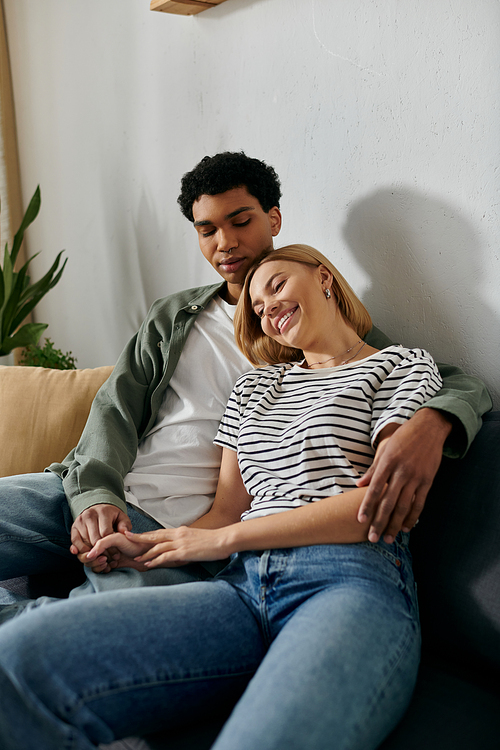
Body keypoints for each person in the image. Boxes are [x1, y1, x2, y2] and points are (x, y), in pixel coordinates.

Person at [0, 152, 491, 615]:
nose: (225, 243)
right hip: (91, 498)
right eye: (207, 229)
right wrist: (95, 496)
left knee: (73, 633)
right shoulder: (174, 315)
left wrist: (433, 423)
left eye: (241, 221)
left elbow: (444, 377)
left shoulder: (314, 324)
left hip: (180, 532)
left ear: (273, 219)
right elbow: (115, 410)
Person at [0, 244, 446, 749]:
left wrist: (222, 540)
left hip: (346, 581)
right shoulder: (254, 389)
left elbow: (376, 510)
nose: (267, 307)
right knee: (15, 661)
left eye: (277, 285)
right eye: (257, 306)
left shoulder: (401, 366)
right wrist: (152, 547)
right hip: (239, 588)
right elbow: (223, 513)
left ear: (324, 278)